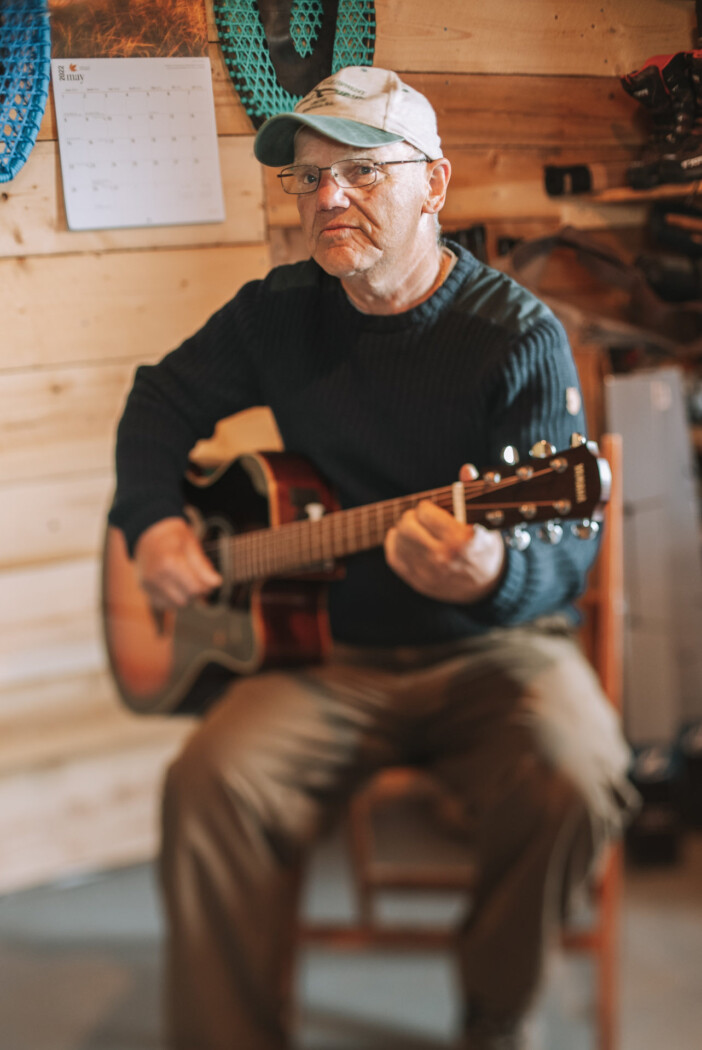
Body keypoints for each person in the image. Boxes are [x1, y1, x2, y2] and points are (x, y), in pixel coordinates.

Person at [109, 66, 637, 1050]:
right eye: (307, 179)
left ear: (433, 184)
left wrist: (494, 573)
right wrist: (153, 523)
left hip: (495, 651)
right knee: (208, 783)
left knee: (583, 767)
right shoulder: (280, 312)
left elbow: (568, 550)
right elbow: (158, 402)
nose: (328, 200)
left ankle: (494, 1019)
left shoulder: (516, 336)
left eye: (358, 172)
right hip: (329, 655)